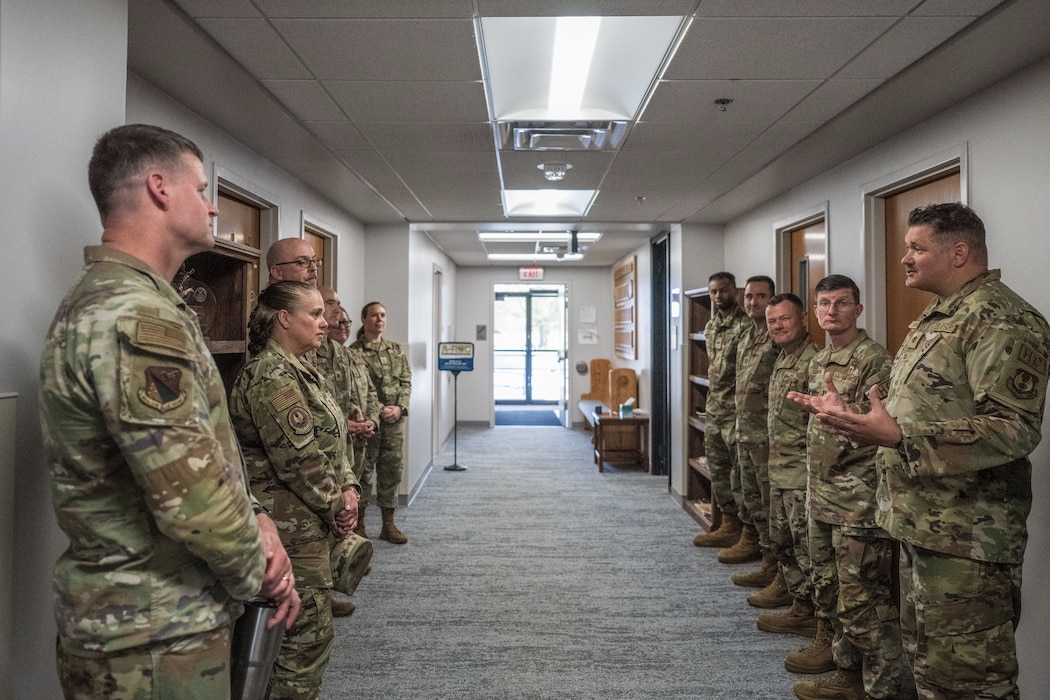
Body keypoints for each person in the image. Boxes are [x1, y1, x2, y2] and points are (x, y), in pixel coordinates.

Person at [39, 123, 299, 698]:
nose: (212, 207)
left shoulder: (135, 302)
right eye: (202, 189)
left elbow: (206, 453)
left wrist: (257, 517)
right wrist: (265, 571)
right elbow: (193, 501)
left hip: (154, 625)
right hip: (151, 635)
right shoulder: (135, 317)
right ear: (160, 187)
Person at [794, 203, 1050, 699]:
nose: (905, 258)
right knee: (932, 672)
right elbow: (912, 409)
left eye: (916, 248)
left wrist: (898, 438)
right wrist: (854, 419)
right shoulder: (939, 315)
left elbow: (1012, 427)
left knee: (971, 684)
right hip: (921, 522)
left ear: (958, 252)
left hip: (967, 538)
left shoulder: (1000, 319)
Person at [230, 281, 361, 699]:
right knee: (301, 644)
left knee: (309, 639)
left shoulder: (304, 369)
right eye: (315, 314)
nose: (326, 323)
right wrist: (337, 504)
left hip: (311, 523)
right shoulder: (271, 374)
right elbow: (299, 460)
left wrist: (350, 487)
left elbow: (332, 439)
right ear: (284, 319)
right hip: (289, 531)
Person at [786, 274, 901, 700]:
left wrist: (843, 412)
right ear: (814, 312)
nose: (831, 311)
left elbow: (887, 428)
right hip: (822, 496)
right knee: (831, 593)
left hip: (860, 504)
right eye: (824, 304)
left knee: (866, 604)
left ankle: (883, 689)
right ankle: (848, 677)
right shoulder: (819, 361)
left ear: (858, 309)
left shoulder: (874, 360)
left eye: (841, 303)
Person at [754, 295, 823, 661]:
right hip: (779, 471)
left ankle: (815, 619)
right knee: (783, 542)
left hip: (802, 475)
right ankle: (800, 607)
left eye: (785, 319)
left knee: (807, 551)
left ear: (803, 320)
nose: (778, 326)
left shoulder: (814, 363)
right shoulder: (782, 360)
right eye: (772, 321)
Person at [723, 276, 781, 576]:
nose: (753, 302)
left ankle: (772, 564)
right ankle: (754, 545)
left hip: (767, 437)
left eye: (760, 296)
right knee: (747, 494)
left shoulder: (777, 338)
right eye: (748, 297)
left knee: (769, 502)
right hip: (743, 431)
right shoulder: (746, 336)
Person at [693, 272, 752, 549]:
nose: (718, 297)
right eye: (713, 292)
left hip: (738, 412)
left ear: (735, 291)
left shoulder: (747, 326)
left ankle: (746, 533)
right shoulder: (711, 326)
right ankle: (727, 525)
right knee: (718, 469)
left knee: (739, 474)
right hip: (715, 409)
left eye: (723, 291)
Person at [350, 301, 412, 544]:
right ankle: (360, 524)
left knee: (391, 471)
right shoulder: (353, 352)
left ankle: (388, 524)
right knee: (363, 473)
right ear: (364, 319)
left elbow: (405, 382)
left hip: (394, 423)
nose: (379, 320)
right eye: (374, 315)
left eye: (383, 315)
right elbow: (356, 390)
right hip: (368, 424)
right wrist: (378, 410)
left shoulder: (395, 350)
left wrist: (400, 408)